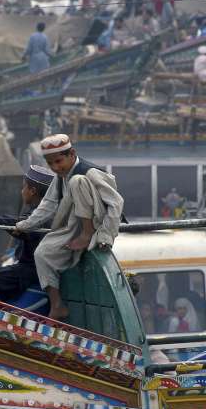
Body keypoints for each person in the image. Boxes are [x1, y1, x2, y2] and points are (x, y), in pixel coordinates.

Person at [14, 134, 124, 320]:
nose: (56, 168)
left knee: (77, 181)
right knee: (42, 254)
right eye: (51, 164)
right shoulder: (60, 176)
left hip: (97, 223)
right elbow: (48, 205)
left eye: (59, 161)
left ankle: (87, 234)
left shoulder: (89, 172)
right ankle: (57, 304)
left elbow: (116, 202)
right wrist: (25, 225)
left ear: (72, 154)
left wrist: (106, 235)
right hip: (74, 224)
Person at [0, 165, 55, 302]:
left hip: (32, 270)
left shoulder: (39, 215)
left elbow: (23, 224)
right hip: (38, 269)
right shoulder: (50, 210)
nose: (22, 191)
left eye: (23, 187)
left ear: (32, 191)